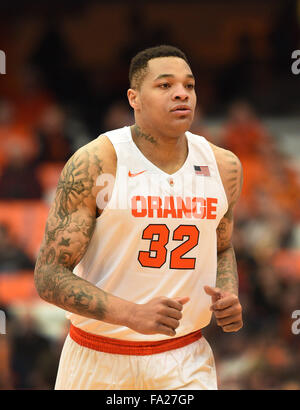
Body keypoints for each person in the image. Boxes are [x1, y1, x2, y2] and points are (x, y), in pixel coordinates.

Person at [34, 45, 243, 390]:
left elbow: (222, 247)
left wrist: (228, 294)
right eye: (165, 85)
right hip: (98, 357)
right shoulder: (97, 162)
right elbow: (49, 275)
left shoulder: (224, 166)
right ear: (134, 98)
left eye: (189, 86)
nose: (182, 93)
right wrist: (132, 314)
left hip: (184, 357)